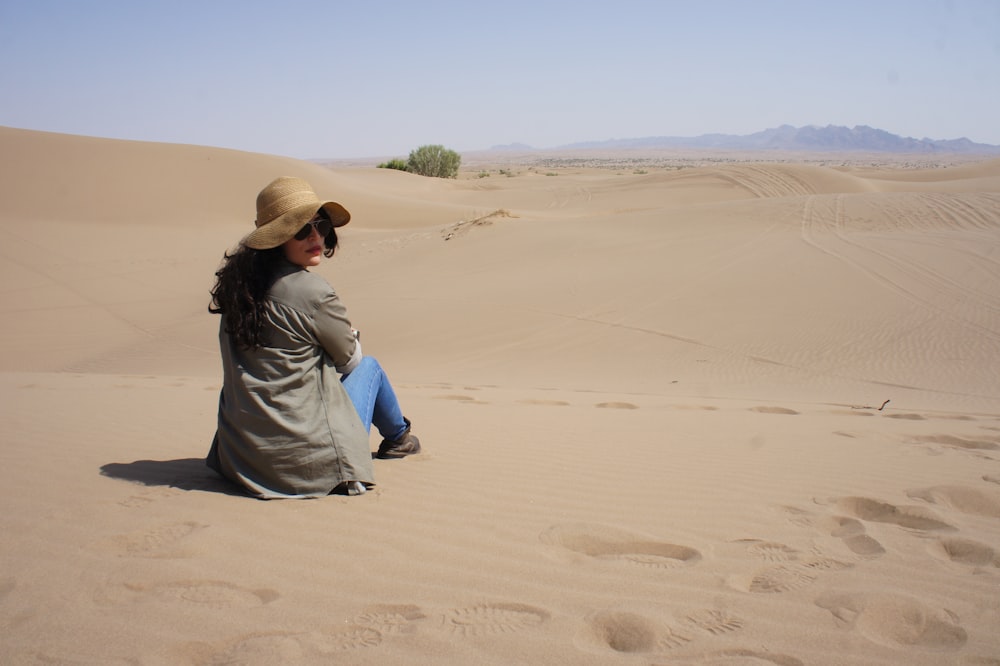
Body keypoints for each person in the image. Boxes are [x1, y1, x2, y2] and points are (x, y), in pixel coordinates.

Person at [206, 176, 420, 499]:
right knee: (370, 367)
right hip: (311, 464)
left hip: (243, 459)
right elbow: (351, 361)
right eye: (302, 229)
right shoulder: (314, 293)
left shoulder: (238, 295)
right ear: (277, 237)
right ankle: (399, 438)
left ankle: (399, 438)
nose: (316, 236)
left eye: (320, 226)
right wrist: (351, 338)